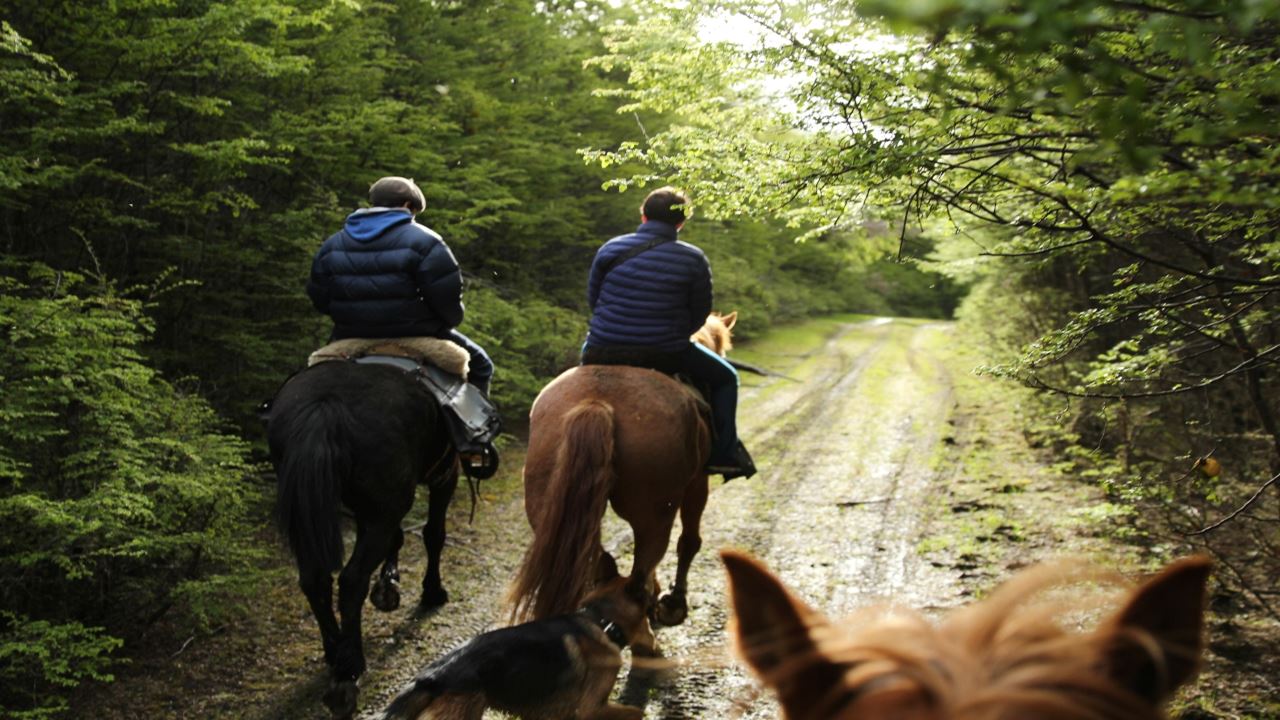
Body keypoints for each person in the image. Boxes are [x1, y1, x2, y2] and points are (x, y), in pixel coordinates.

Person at [582, 186, 756, 480]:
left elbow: (594, 300)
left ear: (643, 215)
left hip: (600, 348)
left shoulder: (610, 248)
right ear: (681, 223)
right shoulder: (693, 258)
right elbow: (700, 313)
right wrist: (673, 335)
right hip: (664, 351)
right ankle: (725, 454)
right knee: (728, 378)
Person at [306, 176, 494, 397]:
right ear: (407, 206)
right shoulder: (426, 241)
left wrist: (352, 318)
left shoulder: (332, 243)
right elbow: (447, 299)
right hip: (416, 334)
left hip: (350, 336)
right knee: (481, 365)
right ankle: (479, 427)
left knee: (312, 378)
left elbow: (319, 297)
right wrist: (444, 322)